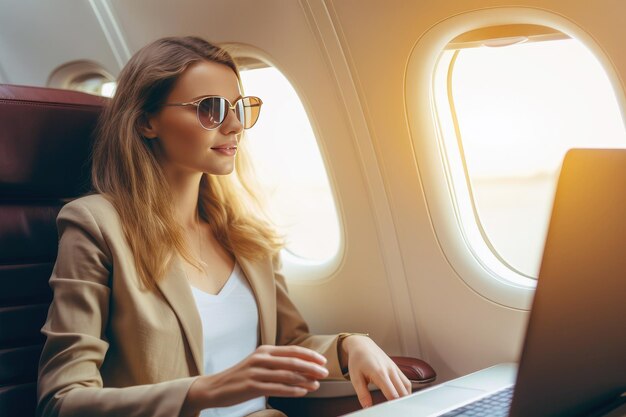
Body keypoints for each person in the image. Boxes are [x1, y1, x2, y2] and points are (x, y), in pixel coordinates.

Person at [36, 36, 411, 417]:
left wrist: (347, 349)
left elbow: (288, 344)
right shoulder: (97, 226)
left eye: (239, 108)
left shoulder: (245, 234)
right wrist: (205, 391)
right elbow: (61, 402)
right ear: (147, 121)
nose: (234, 125)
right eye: (210, 109)